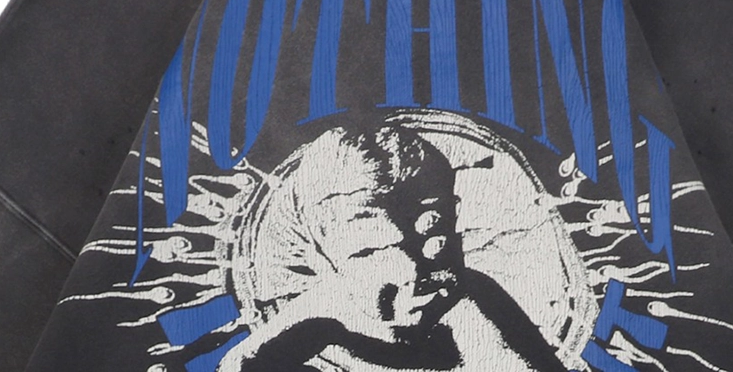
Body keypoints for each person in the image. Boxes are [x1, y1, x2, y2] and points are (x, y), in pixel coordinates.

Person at [220, 122, 569, 372]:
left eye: (435, 235)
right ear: (323, 257)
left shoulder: (476, 300)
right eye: (368, 250)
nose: (411, 270)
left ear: (455, 219)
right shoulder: (312, 325)